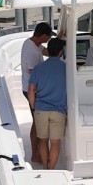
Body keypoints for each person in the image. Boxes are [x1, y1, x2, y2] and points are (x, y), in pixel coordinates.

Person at [27, 38, 67, 170]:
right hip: (59, 110)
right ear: (61, 52)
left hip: (40, 109)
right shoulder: (66, 68)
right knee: (55, 142)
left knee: (43, 141)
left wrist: (33, 107)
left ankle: (45, 167)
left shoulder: (38, 68)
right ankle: (51, 168)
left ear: (48, 51)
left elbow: (31, 90)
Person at [21, 22, 52, 162]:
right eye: (49, 37)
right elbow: (35, 73)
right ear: (44, 35)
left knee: (38, 122)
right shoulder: (31, 51)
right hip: (32, 91)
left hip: (34, 89)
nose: (49, 40)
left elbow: (46, 52)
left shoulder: (34, 44)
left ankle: (38, 152)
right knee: (37, 123)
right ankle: (35, 154)